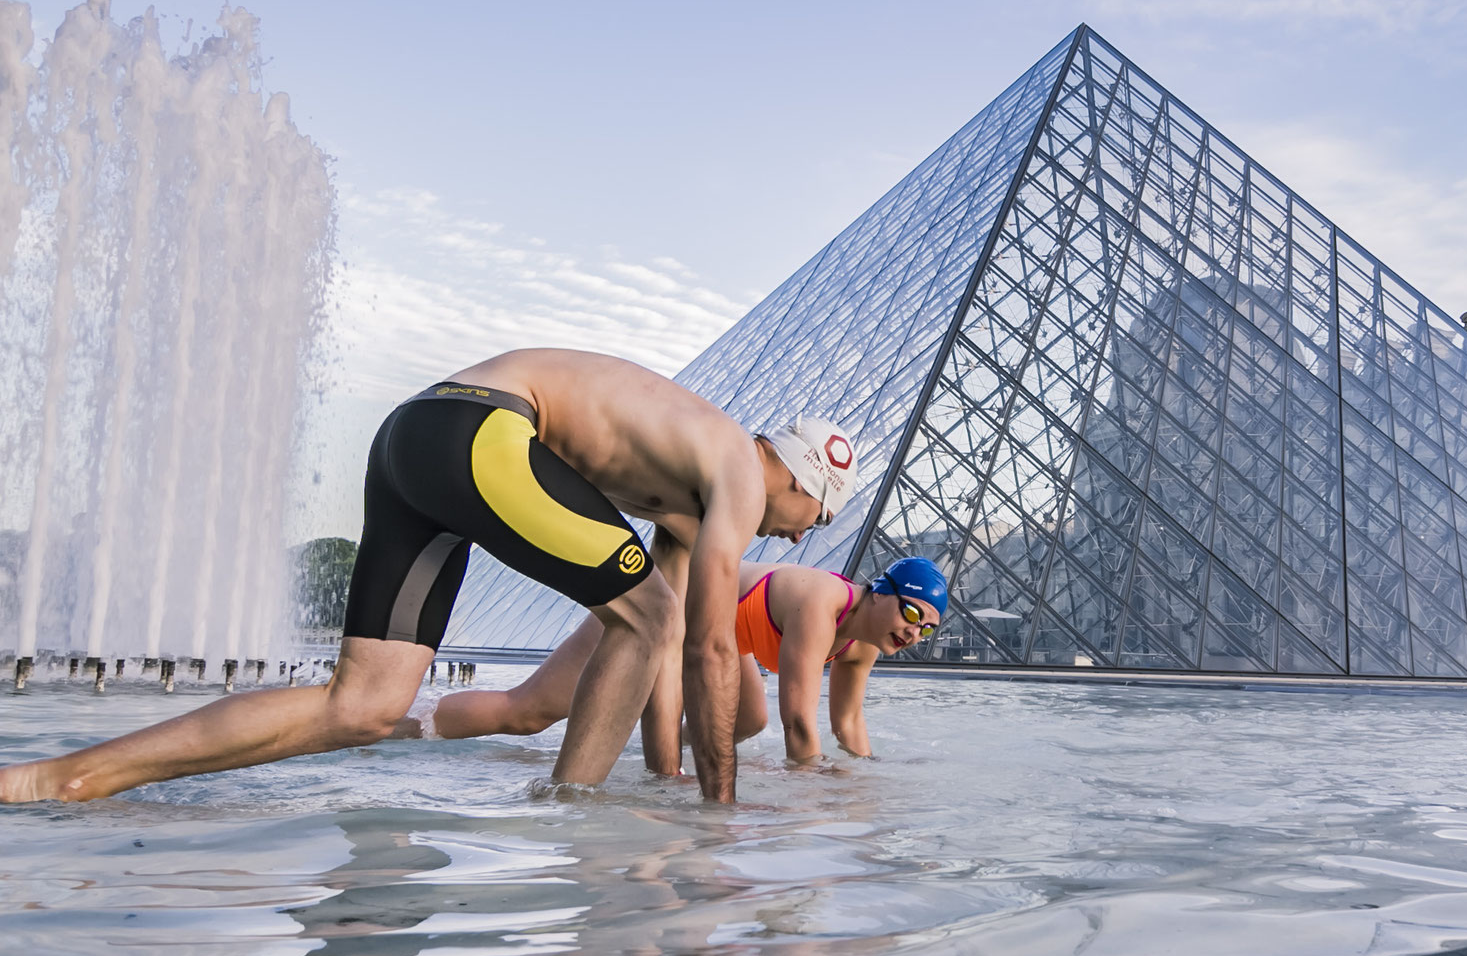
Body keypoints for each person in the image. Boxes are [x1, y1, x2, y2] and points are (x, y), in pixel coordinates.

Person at [0, 349, 857, 805]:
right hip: (483, 433)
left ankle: (65, 776)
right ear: (798, 481)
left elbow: (663, 660)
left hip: (419, 434)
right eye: (808, 521)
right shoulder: (741, 475)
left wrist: (670, 781)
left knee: (363, 705)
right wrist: (720, 819)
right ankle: (571, 812)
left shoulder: (692, 484)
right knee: (655, 619)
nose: (789, 539)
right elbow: (706, 645)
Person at [405, 557, 948, 765]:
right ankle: (398, 721)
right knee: (527, 712)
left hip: (713, 636)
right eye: (910, 612)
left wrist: (869, 779)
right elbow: (801, 722)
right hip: (660, 605)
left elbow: (849, 725)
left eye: (927, 627)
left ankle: (642, 748)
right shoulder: (822, 601)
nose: (914, 631)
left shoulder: (862, 650)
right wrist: (812, 799)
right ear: (880, 591)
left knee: (745, 720)